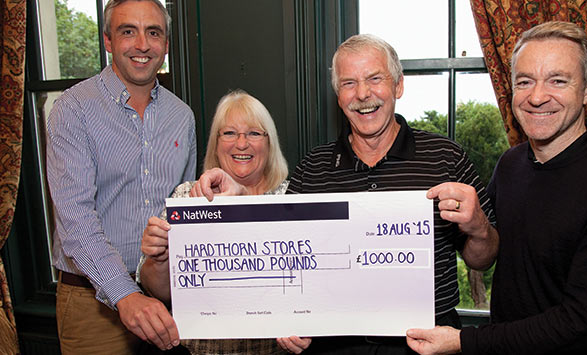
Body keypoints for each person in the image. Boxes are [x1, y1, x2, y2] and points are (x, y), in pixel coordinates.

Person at [194, 34, 499, 355]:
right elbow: (281, 257)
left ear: (398, 86)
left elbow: (483, 257)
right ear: (338, 96)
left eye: (374, 79)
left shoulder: (446, 157)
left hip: (426, 345)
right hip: (332, 345)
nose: (363, 94)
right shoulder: (313, 168)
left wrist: (478, 226)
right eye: (349, 83)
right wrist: (238, 201)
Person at [405, 21, 587, 355]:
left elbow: (579, 325)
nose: (537, 97)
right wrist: (477, 227)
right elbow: (486, 258)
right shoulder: (510, 165)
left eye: (558, 81)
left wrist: (464, 341)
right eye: (525, 81)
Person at [46, 0, 197, 353]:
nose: (142, 44)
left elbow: (182, 213)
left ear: (166, 45)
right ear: (108, 41)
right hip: (91, 305)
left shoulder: (182, 116)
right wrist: (125, 294)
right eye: (128, 31)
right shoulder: (73, 109)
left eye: (153, 32)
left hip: (165, 299)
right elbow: (76, 220)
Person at [139, 89, 289, 354]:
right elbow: (161, 292)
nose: (241, 143)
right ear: (216, 143)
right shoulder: (187, 196)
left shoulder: (290, 197)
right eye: (229, 133)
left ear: (269, 142)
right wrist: (160, 258)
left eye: (254, 133)